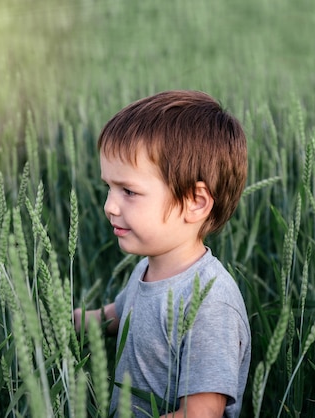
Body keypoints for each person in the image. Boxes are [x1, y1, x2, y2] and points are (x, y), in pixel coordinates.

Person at [73, 90, 251, 418]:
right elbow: (121, 315)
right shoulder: (147, 268)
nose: (109, 206)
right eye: (108, 189)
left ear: (195, 202)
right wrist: (64, 321)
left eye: (129, 191)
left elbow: (200, 414)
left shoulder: (211, 304)